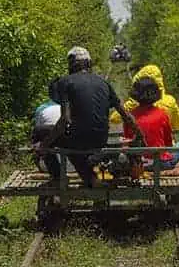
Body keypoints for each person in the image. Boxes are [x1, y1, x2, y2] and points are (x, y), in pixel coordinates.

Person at [35, 46, 137, 187]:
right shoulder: (103, 82)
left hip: (79, 139)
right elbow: (125, 115)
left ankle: (59, 177)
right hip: (100, 139)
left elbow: (64, 119)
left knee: (41, 131)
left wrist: (43, 146)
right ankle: (91, 177)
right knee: (73, 139)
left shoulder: (65, 82)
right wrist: (140, 136)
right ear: (89, 63)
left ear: (70, 64)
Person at [122, 76, 179, 175]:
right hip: (160, 163)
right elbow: (168, 144)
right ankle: (172, 165)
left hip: (137, 163)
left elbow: (127, 140)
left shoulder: (129, 116)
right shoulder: (162, 114)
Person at [110, 64, 179, 132]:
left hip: (138, 144)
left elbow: (114, 119)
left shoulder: (134, 104)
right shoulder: (170, 101)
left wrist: (132, 104)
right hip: (162, 144)